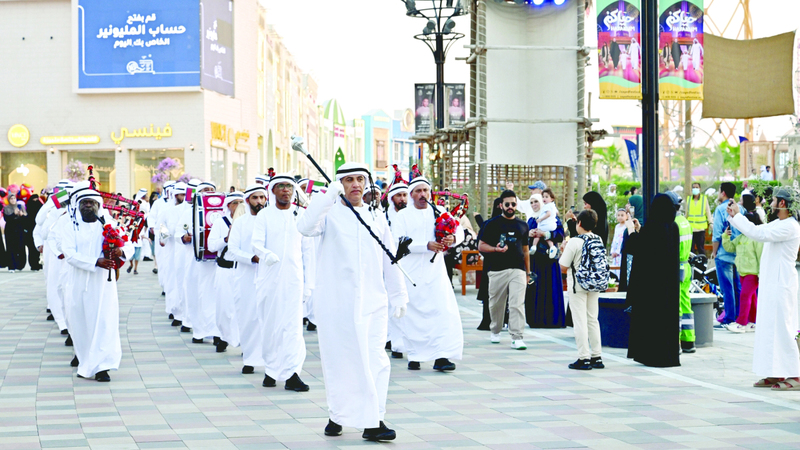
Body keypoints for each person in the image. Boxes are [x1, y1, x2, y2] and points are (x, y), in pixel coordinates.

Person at [297, 162, 408, 441]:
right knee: (342, 361)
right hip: (338, 303)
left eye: (360, 179)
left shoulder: (376, 216)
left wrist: (399, 294)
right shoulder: (329, 214)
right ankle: (338, 414)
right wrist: (327, 196)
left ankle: (373, 421)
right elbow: (304, 226)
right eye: (348, 180)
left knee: (375, 361)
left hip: (374, 300)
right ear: (340, 184)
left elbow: (390, 259)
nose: (355, 184)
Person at [726, 187, 800, 390]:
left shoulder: (790, 227)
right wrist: (735, 217)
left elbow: (757, 233)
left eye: (775, 200)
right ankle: (775, 371)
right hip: (771, 284)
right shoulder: (779, 223)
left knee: (783, 329)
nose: (771, 203)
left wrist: (739, 216)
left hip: (781, 285)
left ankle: (795, 374)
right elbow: (759, 231)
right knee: (769, 328)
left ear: (783, 204)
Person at [392, 176, 464, 372]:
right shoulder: (403, 216)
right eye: (418, 191)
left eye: (426, 190)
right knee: (414, 316)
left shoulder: (439, 212)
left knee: (442, 312)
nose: (423, 195)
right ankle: (414, 355)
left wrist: (452, 238)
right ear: (411, 195)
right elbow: (398, 242)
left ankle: (441, 357)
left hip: (436, 273)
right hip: (412, 274)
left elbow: (461, 232)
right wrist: (425, 246)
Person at [61, 188, 133, 381]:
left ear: (98, 206)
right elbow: (70, 254)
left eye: (91, 202)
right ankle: (85, 362)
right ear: (78, 205)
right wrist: (95, 261)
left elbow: (128, 245)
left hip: (103, 284)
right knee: (81, 323)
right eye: (84, 202)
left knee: (104, 322)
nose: (88, 205)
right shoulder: (70, 227)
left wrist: (120, 251)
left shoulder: (108, 225)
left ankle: (102, 367)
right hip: (78, 283)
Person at [251, 174, 312, 391]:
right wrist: (266, 254)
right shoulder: (264, 215)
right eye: (281, 186)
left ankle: (292, 374)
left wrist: (309, 284)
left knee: (293, 327)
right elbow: (256, 244)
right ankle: (271, 369)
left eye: (289, 186)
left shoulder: (301, 215)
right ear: (273, 190)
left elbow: (309, 253)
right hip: (269, 279)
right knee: (270, 325)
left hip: (294, 280)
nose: (286, 190)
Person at [626, 194, 681, 368]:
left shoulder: (652, 227)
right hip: (669, 284)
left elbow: (638, 248)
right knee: (667, 319)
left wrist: (631, 232)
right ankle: (668, 355)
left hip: (651, 285)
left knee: (651, 320)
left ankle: (650, 355)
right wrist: (641, 230)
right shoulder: (673, 227)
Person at [477, 189, 531, 350]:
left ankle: (517, 336)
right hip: (497, 270)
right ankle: (495, 329)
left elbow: (526, 250)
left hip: (518, 270)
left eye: (514, 204)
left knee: (517, 303)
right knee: (496, 304)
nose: (510, 207)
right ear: (501, 205)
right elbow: (481, 246)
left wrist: (528, 272)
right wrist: (495, 249)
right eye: (507, 204)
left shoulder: (523, 225)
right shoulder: (491, 224)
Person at [227, 184, 268, 374]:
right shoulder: (241, 223)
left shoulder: (270, 220)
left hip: (268, 276)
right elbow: (232, 250)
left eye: (262, 198)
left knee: (267, 318)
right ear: (248, 201)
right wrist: (252, 258)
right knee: (248, 317)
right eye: (255, 198)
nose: (259, 202)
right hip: (245, 277)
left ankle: (269, 359)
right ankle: (250, 358)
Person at [559, 209, 605, 370]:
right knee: (593, 319)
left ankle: (583, 357)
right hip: (595, 284)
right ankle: (597, 356)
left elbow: (563, 266)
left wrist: (563, 250)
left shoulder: (574, 241)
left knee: (580, 320)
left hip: (578, 285)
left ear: (579, 223)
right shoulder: (597, 239)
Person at [179, 181, 219, 343]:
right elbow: (178, 231)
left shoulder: (221, 211)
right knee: (196, 294)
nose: (208, 192)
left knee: (215, 296)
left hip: (215, 262)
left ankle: (216, 331)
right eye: (205, 190)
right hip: (194, 260)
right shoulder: (189, 212)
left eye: (211, 190)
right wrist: (185, 237)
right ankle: (199, 331)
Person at [207, 191, 244, 353]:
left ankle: (245, 341)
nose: (239, 206)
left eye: (241, 202)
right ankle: (223, 337)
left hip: (243, 270)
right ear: (228, 205)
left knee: (244, 306)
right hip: (224, 270)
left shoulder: (248, 222)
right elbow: (211, 246)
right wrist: (226, 240)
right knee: (223, 306)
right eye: (235, 202)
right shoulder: (220, 223)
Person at [722, 194, 762, 333]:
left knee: (745, 296)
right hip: (742, 272)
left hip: (753, 273)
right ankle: (753, 322)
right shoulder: (740, 237)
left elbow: (761, 256)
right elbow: (730, 247)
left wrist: (761, 274)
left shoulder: (756, 239)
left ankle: (741, 323)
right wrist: (725, 237)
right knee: (751, 297)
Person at [667, 191, 696, 354]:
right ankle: (689, 340)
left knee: (674, 304)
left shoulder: (673, 224)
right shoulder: (684, 221)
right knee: (685, 302)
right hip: (685, 266)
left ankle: (675, 340)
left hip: (675, 267)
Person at [384, 182, 409, 358]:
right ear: (392, 198)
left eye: (404, 195)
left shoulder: (410, 216)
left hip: (412, 267)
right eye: (398, 195)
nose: (402, 199)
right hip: (390, 266)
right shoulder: (384, 216)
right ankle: (396, 343)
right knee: (392, 304)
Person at [712, 182, 744, 325]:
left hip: (724, 254)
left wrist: (714, 253)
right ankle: (738, 316)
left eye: (719, 191)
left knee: (727, 287)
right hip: (739, 254)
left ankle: (729, 318)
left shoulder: (720, 209)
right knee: (738, 287)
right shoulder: (741, 209)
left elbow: (717, 233)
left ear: (723, 192)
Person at [163, 183, 191, 332]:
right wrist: (163, 238)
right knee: (175, 282)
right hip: (174, 253)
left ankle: (187, 315)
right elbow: (163, 229)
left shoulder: (193, 210)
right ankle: (177, 313)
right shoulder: (168, 211)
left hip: (191, 254)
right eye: (179, 195)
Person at [530, 189, 559, 259]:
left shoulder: (553, 218)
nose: (534, 204)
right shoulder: (531, 219)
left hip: (548, 260)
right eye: (531, 203)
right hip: (535, 259)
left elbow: (560, 234)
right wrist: (529, 233)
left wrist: (545, 234)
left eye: (536, 201)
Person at [686, 182, 713, 256]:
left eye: (697, 187)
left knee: (700, 248)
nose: (695, 189)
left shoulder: (704, 199)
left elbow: (708, 212)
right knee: (691, 250)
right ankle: (692, 265)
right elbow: (686, 214)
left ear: (700, 189)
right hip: (691, 229)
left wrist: (710, 223)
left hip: (700, 229)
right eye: (693, 187)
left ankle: (702, 265)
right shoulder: (689, 200)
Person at [4, 193, 27, 272]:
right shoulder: (6, 208)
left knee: (20, 247)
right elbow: (6, 218)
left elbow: (26, 217)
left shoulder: (20, 206)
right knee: (11, 248)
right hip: (10, 230)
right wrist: (14, 214)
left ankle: (20, 265)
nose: (13, 200)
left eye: (14, 198)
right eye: (11, 199)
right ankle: (11, 266)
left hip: (19, 229)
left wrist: (22, 215)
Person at [24, 194, 43, 271]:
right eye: (33, 200)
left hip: (37, 231)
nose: (35, 202)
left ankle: (37, 263)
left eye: (36, 200)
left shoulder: (39, 208)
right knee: (31, 249)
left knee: (36, 248)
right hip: (29, 232)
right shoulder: (28, 209)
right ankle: (33, 264)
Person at [609, 208, 628, 278]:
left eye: (622, 215)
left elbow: (622, 240)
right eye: (618, 215)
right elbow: (614, 239)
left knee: (621, 269)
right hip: (615, 253)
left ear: (626, 216)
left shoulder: (626, 226)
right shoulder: (617, 226)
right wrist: (612, 251)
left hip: (621, 252)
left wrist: (617, 251)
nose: (620, 217)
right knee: (615, 270)